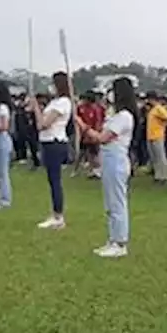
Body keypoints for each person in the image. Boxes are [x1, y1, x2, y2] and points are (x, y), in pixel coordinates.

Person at [79, 77, 136, 258]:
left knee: (117, 202)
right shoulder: (115, 115)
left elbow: (102, 137)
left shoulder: (125, 117)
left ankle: (120, 242)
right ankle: (112, 239)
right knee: (110, 202)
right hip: (109, 160)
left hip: (117, 160)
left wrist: (83, 126)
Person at [35, 72, 75, 230]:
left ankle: (58, 216)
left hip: (55, 142)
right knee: (52, 180)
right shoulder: (55, 102)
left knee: (55, 180)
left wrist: (36, 109)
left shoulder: (63, 102)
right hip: (47, 142)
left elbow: (44, 124)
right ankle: (55, 213)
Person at [143, 93, 167, 183]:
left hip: (157, 135)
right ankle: (157, 175)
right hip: (150, 135)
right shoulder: (153, 109)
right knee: (154, 157)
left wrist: (162, 125)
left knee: (160, 156)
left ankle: (163, 175)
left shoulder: (159, 108)